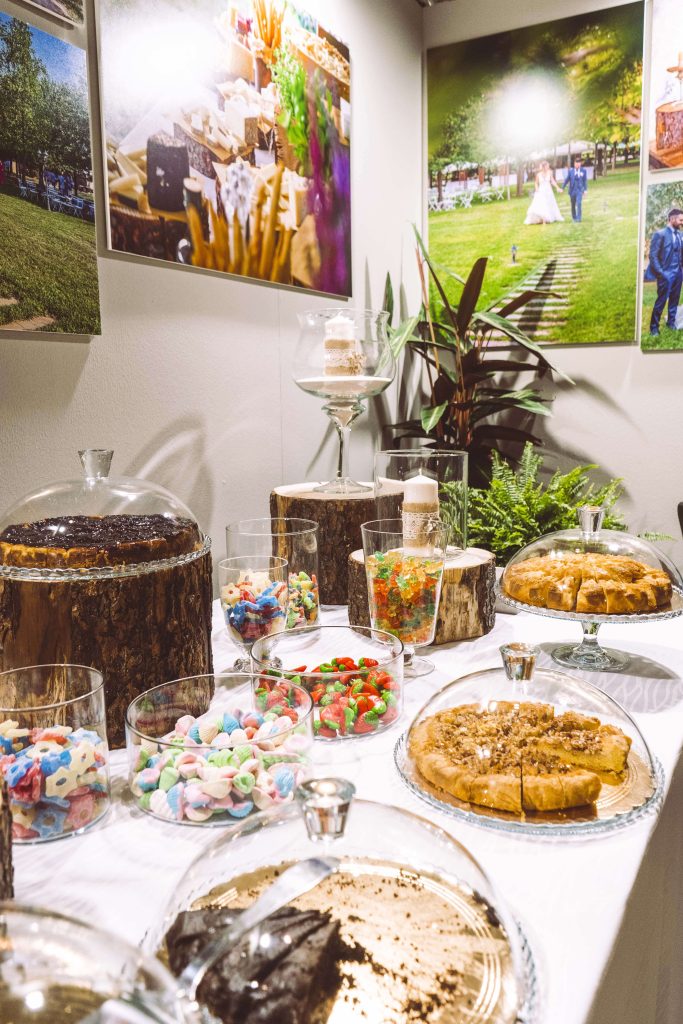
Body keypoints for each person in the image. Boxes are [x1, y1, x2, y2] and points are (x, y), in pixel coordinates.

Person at [647, 208, 683, 336]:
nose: (682, 223)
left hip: (679, 273)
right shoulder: (660, 234)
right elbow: (653, 256)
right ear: (672, 219)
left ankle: (671, 323)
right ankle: (654, 328)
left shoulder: (680, 235)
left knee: (675, 299)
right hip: (666, 274)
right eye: (680, 220)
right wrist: (662, 273)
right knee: (661, 301)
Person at [524, 160, 564, 225]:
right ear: (543, 167)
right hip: (541, 190)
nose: (548, 167)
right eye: (546, 166)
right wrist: (537, 189)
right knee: (542, 204)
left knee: (549, 203)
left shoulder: (550, 173)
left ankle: (549, 217)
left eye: (548, 166)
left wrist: (557, 188)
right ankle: (543, 220)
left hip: (548, 191)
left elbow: (552, 181)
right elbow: (536, 183)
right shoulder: (538, 175)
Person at [562, 156, 588, 222]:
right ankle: (574, 218)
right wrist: (562, 187)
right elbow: (566, 180)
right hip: (572, 190)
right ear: (574, 164)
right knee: (573, 205)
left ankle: (579, 218)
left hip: (579, 190)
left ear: (580, 164)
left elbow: (585, 181)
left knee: (579, 203)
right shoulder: (571, 171)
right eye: (576, 163)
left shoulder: (583, 171)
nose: (577, 165)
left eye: (579, 163)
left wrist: (585, 190)